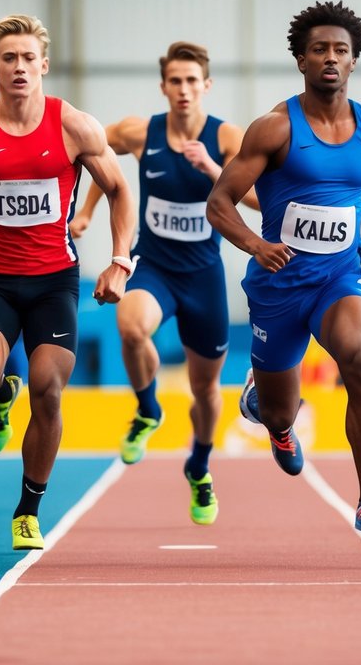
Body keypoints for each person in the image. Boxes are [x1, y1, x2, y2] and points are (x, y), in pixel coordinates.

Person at [0, 14, 135, 550]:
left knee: (50, 391)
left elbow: (120, 190)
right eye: (9, 58)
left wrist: (119, 260)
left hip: (56, 281)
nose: (19, 67)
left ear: (44, 66)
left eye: (28, 58)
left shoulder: (74, 126)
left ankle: (28, 509)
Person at [207, 1, 361, 545]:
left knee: (358, 355)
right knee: (280, 409)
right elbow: (220, 202)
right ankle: (274, 418)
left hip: (339, 278)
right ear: (301, 60)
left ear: (354, 62)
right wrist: (258, 245)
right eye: (320, 50)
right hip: (278, 286)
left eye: (341, 51)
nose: (331, 58)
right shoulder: (275, 129)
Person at [68, 41, 246, 526]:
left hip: (205, 275)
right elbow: (88, 148)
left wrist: (214, 171)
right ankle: (147, 409)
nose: (184, 89)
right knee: (130, 324)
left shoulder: (227, 138)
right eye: (176, 81)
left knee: (205, 388)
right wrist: (84, 211)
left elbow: (257, 200)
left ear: (206, 85)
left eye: (193, 81)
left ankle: (201, 465)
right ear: (164, 86)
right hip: (155, 266)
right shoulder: (140, 132)